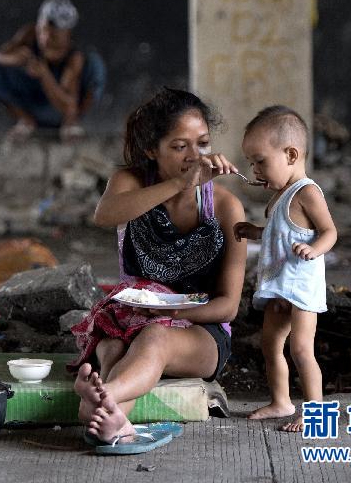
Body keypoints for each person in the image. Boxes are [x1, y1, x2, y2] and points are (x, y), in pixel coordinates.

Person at [69, 88, 247, 453]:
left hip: (199, 331)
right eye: (179, 147)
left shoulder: (227, 208)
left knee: (155, 337)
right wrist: (180, 184)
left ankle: (104, 394)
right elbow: (104, 215)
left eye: (202, 144)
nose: (194, 157)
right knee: (114, 344)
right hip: (129, 319)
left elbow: (228, 306)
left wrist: (168, 312)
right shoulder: (130, 182)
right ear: (153, 150)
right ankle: (112, 424)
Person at [234, 105, 337, 433]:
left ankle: (315, 410)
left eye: (261, 161)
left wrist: (314, 249)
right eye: (251, 163)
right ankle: (281, 401)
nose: (255, 170)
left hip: (302, 288)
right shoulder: (278, 197)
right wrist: (255, 232)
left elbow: (330, 232)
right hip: (279, 287)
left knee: (301, 348)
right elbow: (280, 235)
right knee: (270, 344)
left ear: (291, 154)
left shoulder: (307, 192)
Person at [0, 0, 106, 141]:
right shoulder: (29, 34)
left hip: (59, 109)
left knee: (95, 64)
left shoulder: (74, 58)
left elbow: (69, 106)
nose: (46, 39)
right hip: (33, 102)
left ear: (66, 34)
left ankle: (71, 124)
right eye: (42, 31)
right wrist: (16, 59)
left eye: (53, 35)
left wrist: (44, 74)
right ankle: (26, 121)